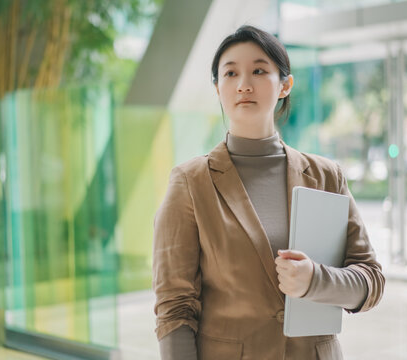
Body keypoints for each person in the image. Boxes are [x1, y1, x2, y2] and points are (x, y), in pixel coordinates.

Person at [153, 25, 385, 360]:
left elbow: (371, 280)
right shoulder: (190, 182)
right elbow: (174, 308)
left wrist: (315, 281)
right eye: (230, 73)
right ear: (218, 88)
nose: (244, 84)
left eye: (259, 70)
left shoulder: (326, 175)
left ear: (284, 85)